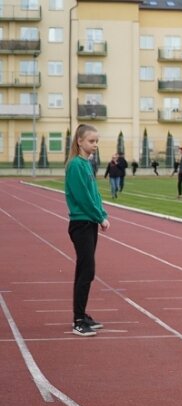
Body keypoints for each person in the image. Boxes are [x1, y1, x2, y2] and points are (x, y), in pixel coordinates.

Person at [64, 124, 110, 337]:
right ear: (80, 141)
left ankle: (82, 315)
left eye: (96, 142)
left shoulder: (87, 164)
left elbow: (95, 194)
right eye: (91, 141)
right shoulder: (75, 165)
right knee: (87, 270)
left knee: (85, 270)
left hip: (89, 222)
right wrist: (99, 216)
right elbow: (82, 197)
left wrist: (103, 213)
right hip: (81, 223)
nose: (94, 145)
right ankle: (78, 320)